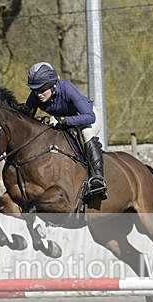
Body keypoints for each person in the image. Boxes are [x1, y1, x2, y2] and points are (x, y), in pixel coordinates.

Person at [24, 62, 107, 199]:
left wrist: (63, 120)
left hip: (86, 117)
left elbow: (89, 117)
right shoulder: (35, 96)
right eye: (35, 90)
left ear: (52, 85)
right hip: (64, 122)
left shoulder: (67, 88)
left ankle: (98, 179)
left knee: (86, 134)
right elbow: (26, 120)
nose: (38, 94)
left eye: (42, 89)